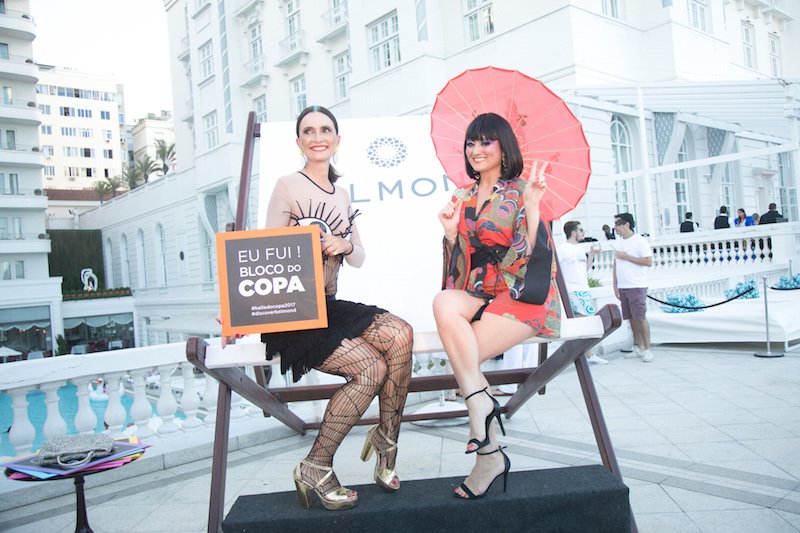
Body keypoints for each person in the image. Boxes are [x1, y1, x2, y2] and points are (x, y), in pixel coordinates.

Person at [228, 105, 413, 511]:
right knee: (372, 369)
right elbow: (260, 253)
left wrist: (345, 245)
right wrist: (235, 308)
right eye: (308, 131)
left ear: (337, 140)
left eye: (325, 129)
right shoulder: (287, 186)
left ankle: (387, 438)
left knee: (401, 333)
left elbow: (359, 255)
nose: (317, 136)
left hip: (327, 306)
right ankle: (316, 465)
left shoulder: (342, 194)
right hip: (293, 310)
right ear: (298, 142)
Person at [435, 112, 561, 499]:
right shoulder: (461, 195)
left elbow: (535, 259)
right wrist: (453, 234)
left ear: (503, 146)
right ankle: (482, 406)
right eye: (471, 142)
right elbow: (462, 266)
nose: (475, 149)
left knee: (464, 361)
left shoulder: (523, 190)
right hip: (481, 291)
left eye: (485, 142)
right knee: (443, 301)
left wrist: (534, 209)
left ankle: (487, 450)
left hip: (521, 294)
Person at [557, 220, 607, 364]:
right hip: (572, 290)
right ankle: (587, 355)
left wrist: (591, 255)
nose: (583, 233)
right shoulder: (562, 249)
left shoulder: (579, 249)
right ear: (573, 232)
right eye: (581, 230)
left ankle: (586, 355)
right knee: (582, 322)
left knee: (585, 322)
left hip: (583, 288)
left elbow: (584, 269)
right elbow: (555, 270)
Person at [612, 213, 654, 362]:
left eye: (617, 224)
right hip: (623, 286)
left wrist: (627, 257)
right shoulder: (618, 242)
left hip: (636, 285)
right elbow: (616, 264)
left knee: (640, 317)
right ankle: (640, 346)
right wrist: (615, 285)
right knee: (630, 318)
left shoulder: (640, 241)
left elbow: (648, 261)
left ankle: (648, 348)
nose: (615, 228)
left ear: (627, 224)